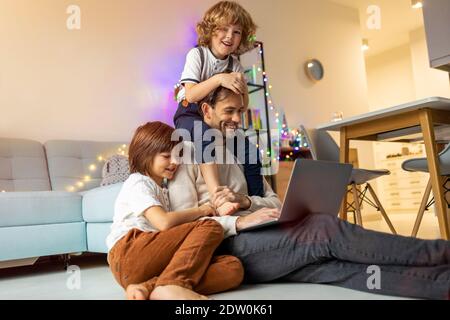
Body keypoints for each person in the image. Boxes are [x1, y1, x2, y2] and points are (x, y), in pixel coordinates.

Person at [169, 86, 450, 300]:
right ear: (206, 111)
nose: (236, 119)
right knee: (321, 229)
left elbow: (273, 201)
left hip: (264, 240)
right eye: (228, 111)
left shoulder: (242, 154)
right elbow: (183, 230)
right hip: (227, 246)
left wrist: (244, 201)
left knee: (334, 267)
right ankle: (441, 251)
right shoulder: (186, 155)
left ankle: (442, 284)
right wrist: (237, 221)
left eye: (240, 111)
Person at [106, 121, 244, 300]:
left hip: (149, 264)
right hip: (129, 253)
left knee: (232, 267)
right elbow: (163, 222)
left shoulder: (163, 190)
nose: (175, 162)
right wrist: (203, 210)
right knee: (211, 227)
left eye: (178, 155)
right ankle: (174, 285)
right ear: (144, 155)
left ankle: (149, 288)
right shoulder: (138, 182)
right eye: (166, 156)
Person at [173, 1, 264, 216]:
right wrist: (219, 79)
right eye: (223, 29)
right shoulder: (198, 55)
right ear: (210, 30)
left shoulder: (235, 64)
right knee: (206, 136)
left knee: (250, 152)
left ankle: (255, 201)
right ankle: (217, 196)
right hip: (190, 114)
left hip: (216, 118)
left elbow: (243, 105)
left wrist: (242, 88)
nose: (229, 36)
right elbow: (192, 94)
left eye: (237, 32)